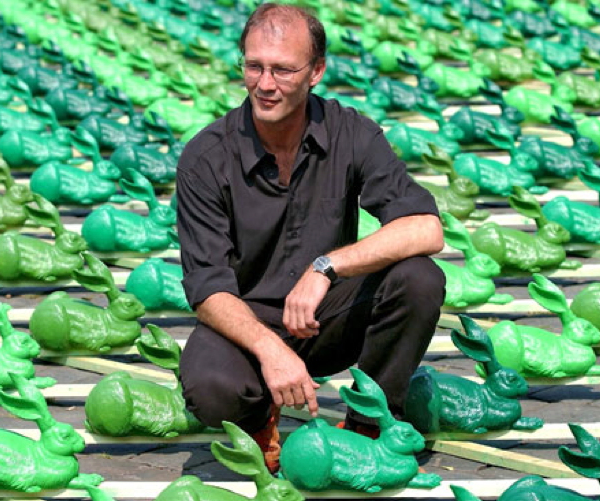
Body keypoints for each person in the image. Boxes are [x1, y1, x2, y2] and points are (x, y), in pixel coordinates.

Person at [174, 3, 446, 472]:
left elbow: (426, 227)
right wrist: (271, 350)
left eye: (282, 70)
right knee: (209, 388)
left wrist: (327, 267)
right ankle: (260, 417)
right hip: (248, 321)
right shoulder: (205, 158)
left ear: (316, 71)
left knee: (419, 278)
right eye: (253, 66)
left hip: (327, 316)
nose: (264, 84)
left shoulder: (350, 132)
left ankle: (367, 420)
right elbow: (207, 289)